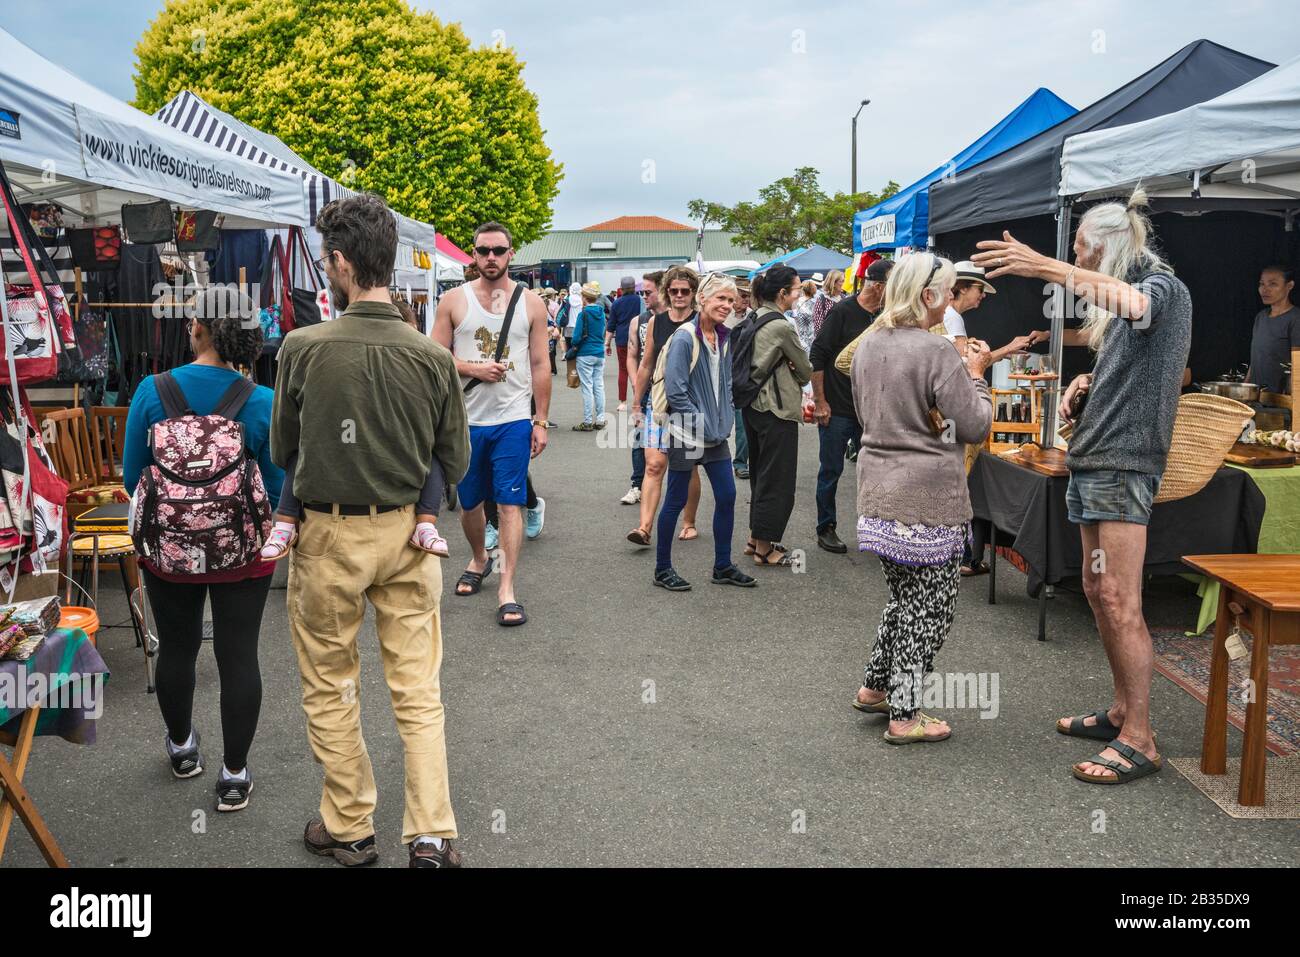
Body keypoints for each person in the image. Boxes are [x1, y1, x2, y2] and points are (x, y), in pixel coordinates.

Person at [272, 192, 471, 867]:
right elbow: (454, 458)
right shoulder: (433, 357)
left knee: (331, 682)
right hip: (407, 534)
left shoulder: (301, 349)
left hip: (329, 534)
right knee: (417, 690)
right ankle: (431, 834)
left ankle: (350, 824)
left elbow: (285, 452)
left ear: (338, 262)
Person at [972, 188, 1191, 785]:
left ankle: (1140, 739)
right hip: (1098, 460)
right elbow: (1136, 346)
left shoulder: (1161, 288)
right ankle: (1122, 711)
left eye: (1080, 252)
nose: (1077, 261)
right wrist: (1091, 379)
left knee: (1120, 598)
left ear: (1106, 247)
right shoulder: (1129, 301)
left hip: (1123, 465)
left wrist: (1045, 265)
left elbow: (1136, 306)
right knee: (1097, 589)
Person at [124, 287, 279, 814]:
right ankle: (234, 775)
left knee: (178, 647)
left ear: (198, 328)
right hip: (246, 555)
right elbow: (277, 488)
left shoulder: (152, 390)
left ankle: (183, 747)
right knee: (239, 656)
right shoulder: (260, 401)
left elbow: (131, 478)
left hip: (170, 553)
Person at [849, 253, 994, 744]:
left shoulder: (868, 344)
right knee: (931, 608)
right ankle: (905, 714)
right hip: (927, 496)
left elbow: (866, 413)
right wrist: (977, 376)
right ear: (928, 296)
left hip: (879, 489)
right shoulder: (936, 353)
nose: (953, 300)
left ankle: (875, 687)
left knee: (904, 598)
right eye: (950, 292)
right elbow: (973, 424)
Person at [261, 302, 450, 561]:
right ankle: (426, 524)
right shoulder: (432, 357)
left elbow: (282, 445)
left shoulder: (306, 347)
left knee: (300, 450)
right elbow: (454, 452)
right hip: (398, 509)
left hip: (330, 511)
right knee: (436, 454)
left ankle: (284, 524)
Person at [433, 221, 551, 628]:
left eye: (498, 250)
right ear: (474, 253)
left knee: (509, 503)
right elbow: (434, 356)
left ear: (511, 253)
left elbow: (540, 363)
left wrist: (541, 420)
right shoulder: (453, 300)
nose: (490, 258)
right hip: (465, 420)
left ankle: (507, 588)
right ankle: (480, 557)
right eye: (483, 250)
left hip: (513, 419)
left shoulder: (531, 303)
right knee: (470, 504)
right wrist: (474, 368)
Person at [653, 273, 756, 592]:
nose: (727, 305)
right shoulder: (686, 337)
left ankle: (722, 565)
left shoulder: (723, 336)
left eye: (730, 299)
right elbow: (676, 390)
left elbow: (725, 383)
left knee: (727, 495)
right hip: (687, 432)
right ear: (703, 300)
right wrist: (701, 423)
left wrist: (724, 419)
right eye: (720, 299)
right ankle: (662, 569)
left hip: (714, 433)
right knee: (675, 499)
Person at [809, 258, 893, 553]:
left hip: (870, 411)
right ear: (879, 286)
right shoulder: (843, 311)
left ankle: (876, 530)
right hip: (838, 407)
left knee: (875, 472)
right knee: (830, 470)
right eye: (893, 285)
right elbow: (817, 356)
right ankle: (826, 527)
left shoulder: (886, 315)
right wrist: (820, 402)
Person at [743, 264, 813, 565]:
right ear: (783, 292)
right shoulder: (782, 325)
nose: (798, 294)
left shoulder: (754, 317)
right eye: (796, 289)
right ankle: (764, 549)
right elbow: (806, 367)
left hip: (751, 405)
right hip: (777, 408)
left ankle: (755, 538)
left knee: (760, 473)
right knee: (778, 479)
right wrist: (796, 374)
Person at [628, 266, 702, 546]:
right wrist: (637, 402)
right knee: (654, 465)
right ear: (667, 293)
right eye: (674, 291)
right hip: (658, 404)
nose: (680, 295)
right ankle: (644, 528)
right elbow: (646, 364)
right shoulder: (656, 323)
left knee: (688, 468)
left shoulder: (700, 321)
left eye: (685, 291)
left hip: (690, 406)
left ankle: (689, 521)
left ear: (693, 293)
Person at [623, 271, 664, 505]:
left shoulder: (674, 319)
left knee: (678, 442)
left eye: (648, 292)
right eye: (642, 292)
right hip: (645, 388)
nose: (644, 297)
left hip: (669, 390)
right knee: (640, 437)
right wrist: (635, 382)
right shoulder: (638, 321)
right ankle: (637, 485)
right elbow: (632, 355)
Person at [1247, 264, 1298, 394]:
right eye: (1262, 284)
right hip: (1256, 398)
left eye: (1273, 284)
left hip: (1280, 400)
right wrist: (1245, 387)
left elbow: (1297, 366)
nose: (1265, 290)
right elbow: (1255, 360)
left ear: (1289, 286)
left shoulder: (1295, 319)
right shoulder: (1261, 317)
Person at [571, 282, 608, 431]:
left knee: (587, 387)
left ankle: (587, 421)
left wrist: (574, 344)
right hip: (599, 353)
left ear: (584, 298)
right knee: (598, 386)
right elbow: (603, 333)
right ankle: (600, 419)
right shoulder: (601, 313)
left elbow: (576, 337)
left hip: (585, 353)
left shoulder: (583, 314)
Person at [728, 278, 754, 479]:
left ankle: (740, 462)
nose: (746, 299)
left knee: (743, 423)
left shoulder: (753, 317)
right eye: (743, 295)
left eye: (749, 295)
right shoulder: (722, 317)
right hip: (722, 377)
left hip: (742, 378)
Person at [607, 276, 641, 410]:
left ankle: (622, 402)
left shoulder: (616, 303)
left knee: (623, 370)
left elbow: (611, 325)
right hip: (638, 338)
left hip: (622, 339)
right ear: (634, 287)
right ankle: (638, 399)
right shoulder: (640, 301)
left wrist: (607, 343)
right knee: (640, 369)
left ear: (621, 288)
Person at [811, 269, 844, 339]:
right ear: (834, 283)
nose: (845, 283)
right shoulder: (822, 299)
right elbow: (818, 326)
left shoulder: (844, 298)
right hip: (827, 341)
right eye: (842, 281)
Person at [789, 279, 819, 353]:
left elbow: (794, 317)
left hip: (798, 336)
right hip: (813, 337)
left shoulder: (795, 302)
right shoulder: (816, 303)